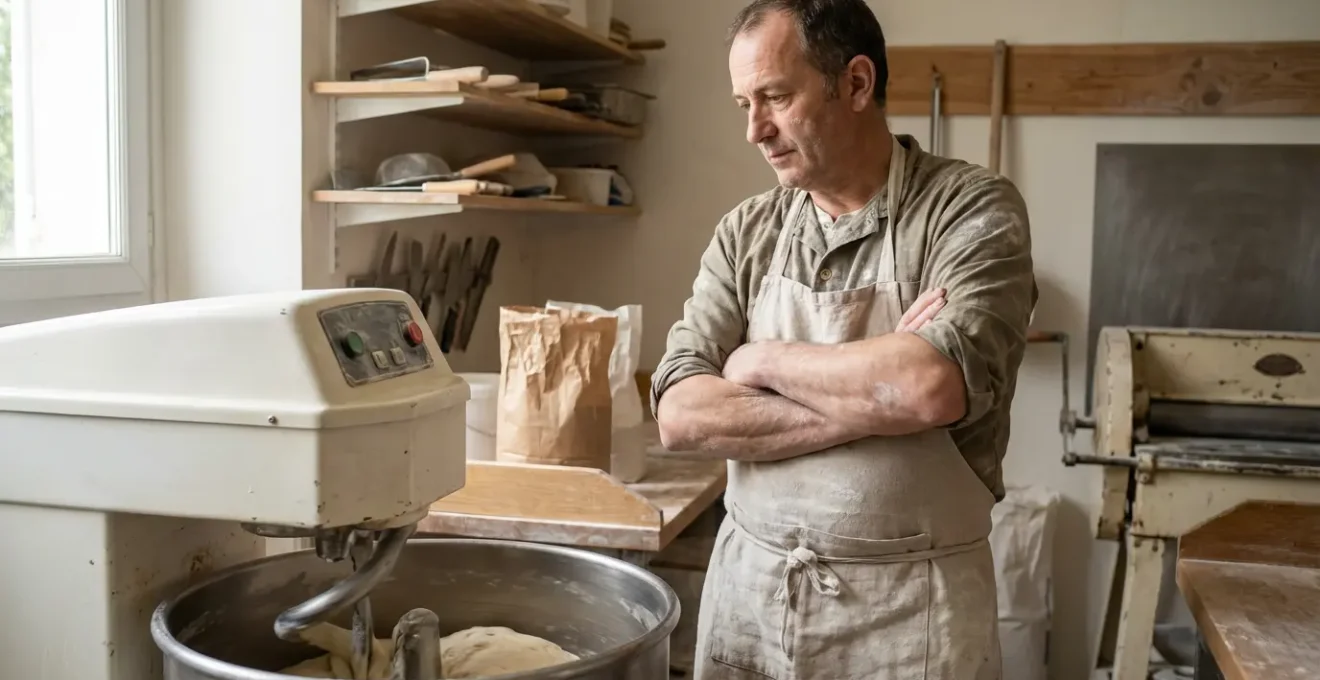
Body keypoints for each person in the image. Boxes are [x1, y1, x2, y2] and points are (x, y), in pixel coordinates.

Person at [650, 1, 1038, 678]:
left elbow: (926, 387)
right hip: (751, 600)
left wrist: (758, 360)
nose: (754, 130)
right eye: (744, 102)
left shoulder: (969, 209)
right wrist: (871, 400)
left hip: (911, 612)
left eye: (774, 97)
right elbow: (681, 415)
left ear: (856, 84)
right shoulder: (748, 232)